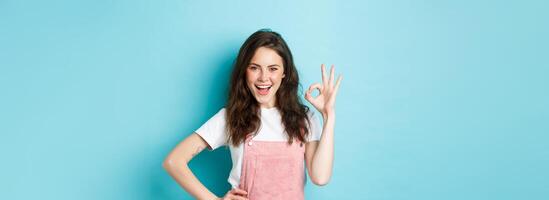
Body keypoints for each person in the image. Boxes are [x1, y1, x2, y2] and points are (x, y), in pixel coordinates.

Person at [163, 29, 342, 200]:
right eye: (255, 67)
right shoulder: (231, 117)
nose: (263, 77)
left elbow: (320, 177)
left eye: (273, 69)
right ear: (244, 71)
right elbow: (174, 161)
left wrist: (328, 116)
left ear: (284, 73)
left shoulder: (305, 118)